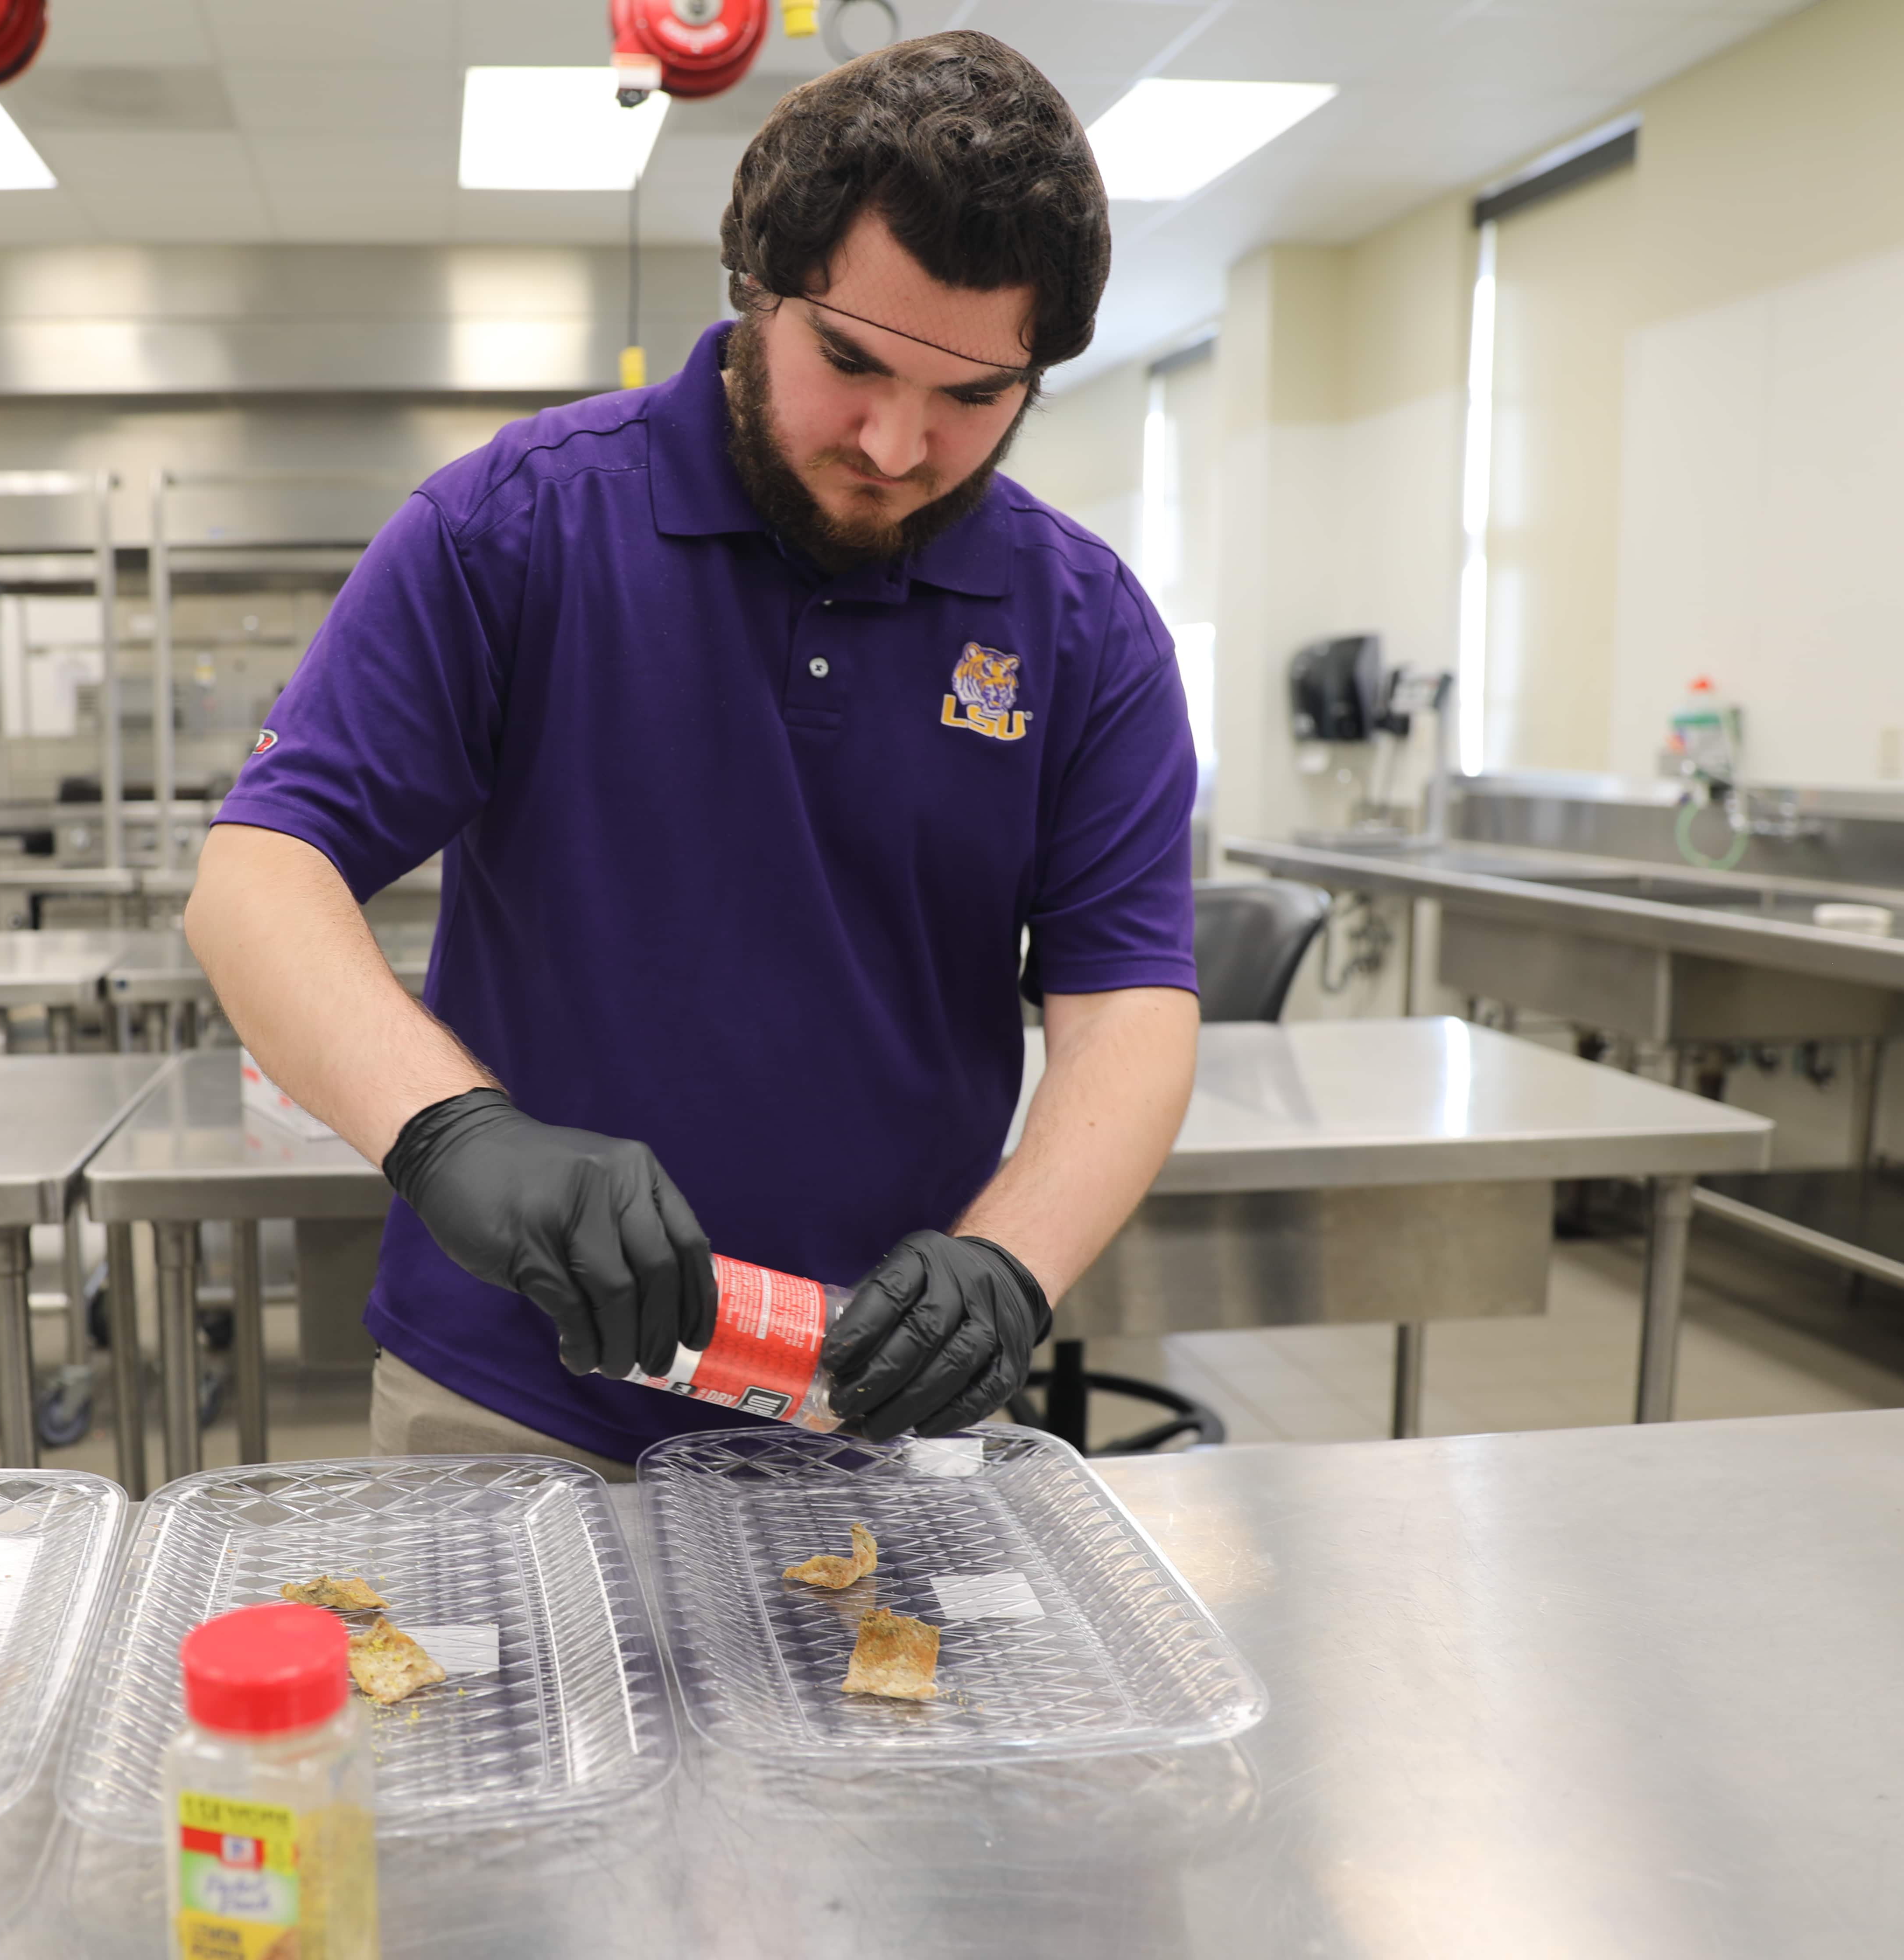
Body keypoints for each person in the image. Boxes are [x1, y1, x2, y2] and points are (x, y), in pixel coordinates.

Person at [186, 31, 1200, 1478]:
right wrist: (453, 1135)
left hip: (877, 1399)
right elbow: (260, 874)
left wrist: (1012, 1267)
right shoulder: (516, 530)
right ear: (757, 291)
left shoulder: (1085, 629)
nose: (900, 444)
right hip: (513, 1395)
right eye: (850, 362)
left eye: (976, 396)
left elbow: (1129, 1007)